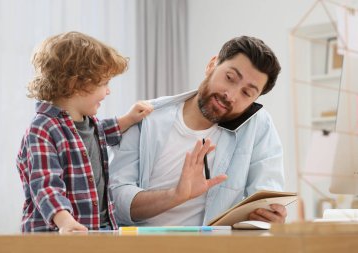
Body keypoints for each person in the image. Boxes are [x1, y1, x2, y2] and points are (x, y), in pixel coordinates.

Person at [109, 36, 286, 226]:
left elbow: (264, 196)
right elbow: (116, 202)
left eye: (247, 93)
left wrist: (270, 217)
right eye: (229, 78)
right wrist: (176, 195)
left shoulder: (257, 125)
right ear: (212, 65)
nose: (231, 96)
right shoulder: (146, 117)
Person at [16, 31, 153, 232]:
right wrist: (64, 221)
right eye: (104, 83)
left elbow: (101, 132)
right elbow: (45, 185)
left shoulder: (89, 123)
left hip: (97, 228)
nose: (108, 91)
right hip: (58, 234)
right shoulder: (42, 129)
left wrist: (128, 119)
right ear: (76, 84)